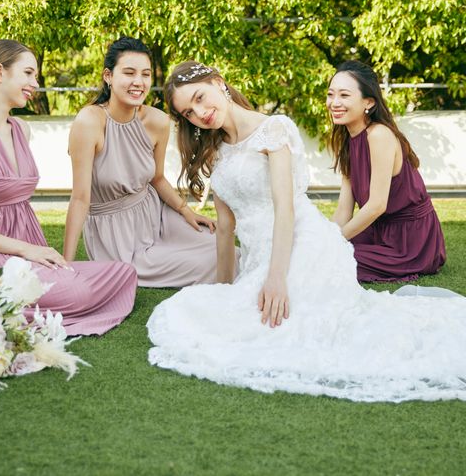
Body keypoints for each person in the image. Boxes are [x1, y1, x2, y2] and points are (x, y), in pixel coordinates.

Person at [146, 60, 466, 403]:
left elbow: (285, 208)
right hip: (259, 256)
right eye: (189, 112)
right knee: (202, 311)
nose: (199, 113)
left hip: (302, 245)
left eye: (199, 98)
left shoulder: (273, 130)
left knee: (283, 330)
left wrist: (277, 277)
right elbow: (225, 228)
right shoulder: (216, 151)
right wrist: (223, 291)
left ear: (219, 83)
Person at [0, 40, 137, 336]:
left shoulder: (21, 130)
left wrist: (32, 251)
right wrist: (26, 249)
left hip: (28, 251)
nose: (35, 84)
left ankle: (9, 302)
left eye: (35, 76)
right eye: (28, 73)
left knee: (123, 273)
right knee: (76, 291)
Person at [64, 37, 218, 287]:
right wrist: (66, 265)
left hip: (155, 214)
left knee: (220, 245)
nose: (139, 82)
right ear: (108, 76)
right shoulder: (89, 122)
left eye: (145, 74)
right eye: (129, 73)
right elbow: (80, 198)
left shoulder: (157, 121)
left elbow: (157, 178)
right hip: (116, 236)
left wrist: (186, 211)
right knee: (210, 262)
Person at [327, 60, 446, 282]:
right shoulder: (347, 140)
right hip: (378, 230)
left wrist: (333, 243)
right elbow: (344, 210)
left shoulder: (379, 135)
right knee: (313, 252)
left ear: (369, 102)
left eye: (344, 95)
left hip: (410, 241)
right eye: (330, 94)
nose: (334, 102)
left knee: (333, 260)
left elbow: (376, 205)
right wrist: (326, 239)